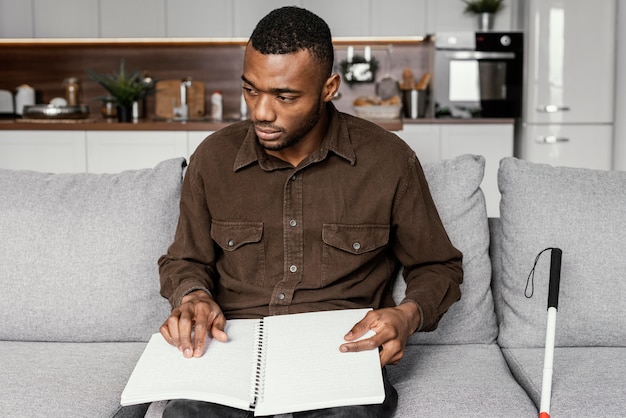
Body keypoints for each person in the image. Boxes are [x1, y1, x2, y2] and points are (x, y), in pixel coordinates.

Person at [158, 6, 463, 418]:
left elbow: (438, 266)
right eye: (251, 90)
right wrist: (193, 296)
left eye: (285, 96)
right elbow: (185, 259)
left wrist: (407, 316)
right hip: (233, 351)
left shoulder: (389, 161)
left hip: (338, 356)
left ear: (329, 87)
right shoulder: (212, 159)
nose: (262, 112)